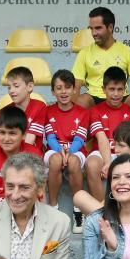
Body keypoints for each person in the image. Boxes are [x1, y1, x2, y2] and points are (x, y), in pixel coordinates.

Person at [84, 67, 130, 209]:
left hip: (123, 152)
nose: (116, 94)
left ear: (125, 89)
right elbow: (101, 138)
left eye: (120, 89)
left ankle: (129, 208)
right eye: (112, 89)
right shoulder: (95, 111)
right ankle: (103, 209)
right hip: (102, 152)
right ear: (104, 89)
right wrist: (108, 162)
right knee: (92, 164)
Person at [72, 7, 130, 111]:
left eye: (98, 28)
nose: (93, 33)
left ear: (110, 27)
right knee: (82, 101)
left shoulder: (127, 51)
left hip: (120, 97)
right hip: (94, 98)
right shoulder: (84, 53)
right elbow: (76, 86)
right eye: (91, 28)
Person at [44, 69, 89, 208]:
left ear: (74, 90)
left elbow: (80, 139)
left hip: (76, 150)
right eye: (59, 88)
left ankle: (78, 208)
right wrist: (60, 151)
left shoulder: (83, 112)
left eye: (68, 87)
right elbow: (50, 138)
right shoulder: (47, 111)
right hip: (53, 149)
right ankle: (53, 206)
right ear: (53, 91)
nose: (64, 92)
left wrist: (68, 152)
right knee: (56, 160)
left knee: (73, 162)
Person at [4, 65, 47, 154]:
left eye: (16, 86)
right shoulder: (6, 110)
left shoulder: (39, 107)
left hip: (31, 156)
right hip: (10, 155)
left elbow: (29, 140)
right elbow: (4, 139)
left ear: (30, 86)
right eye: (9, 87)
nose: (11, 90)